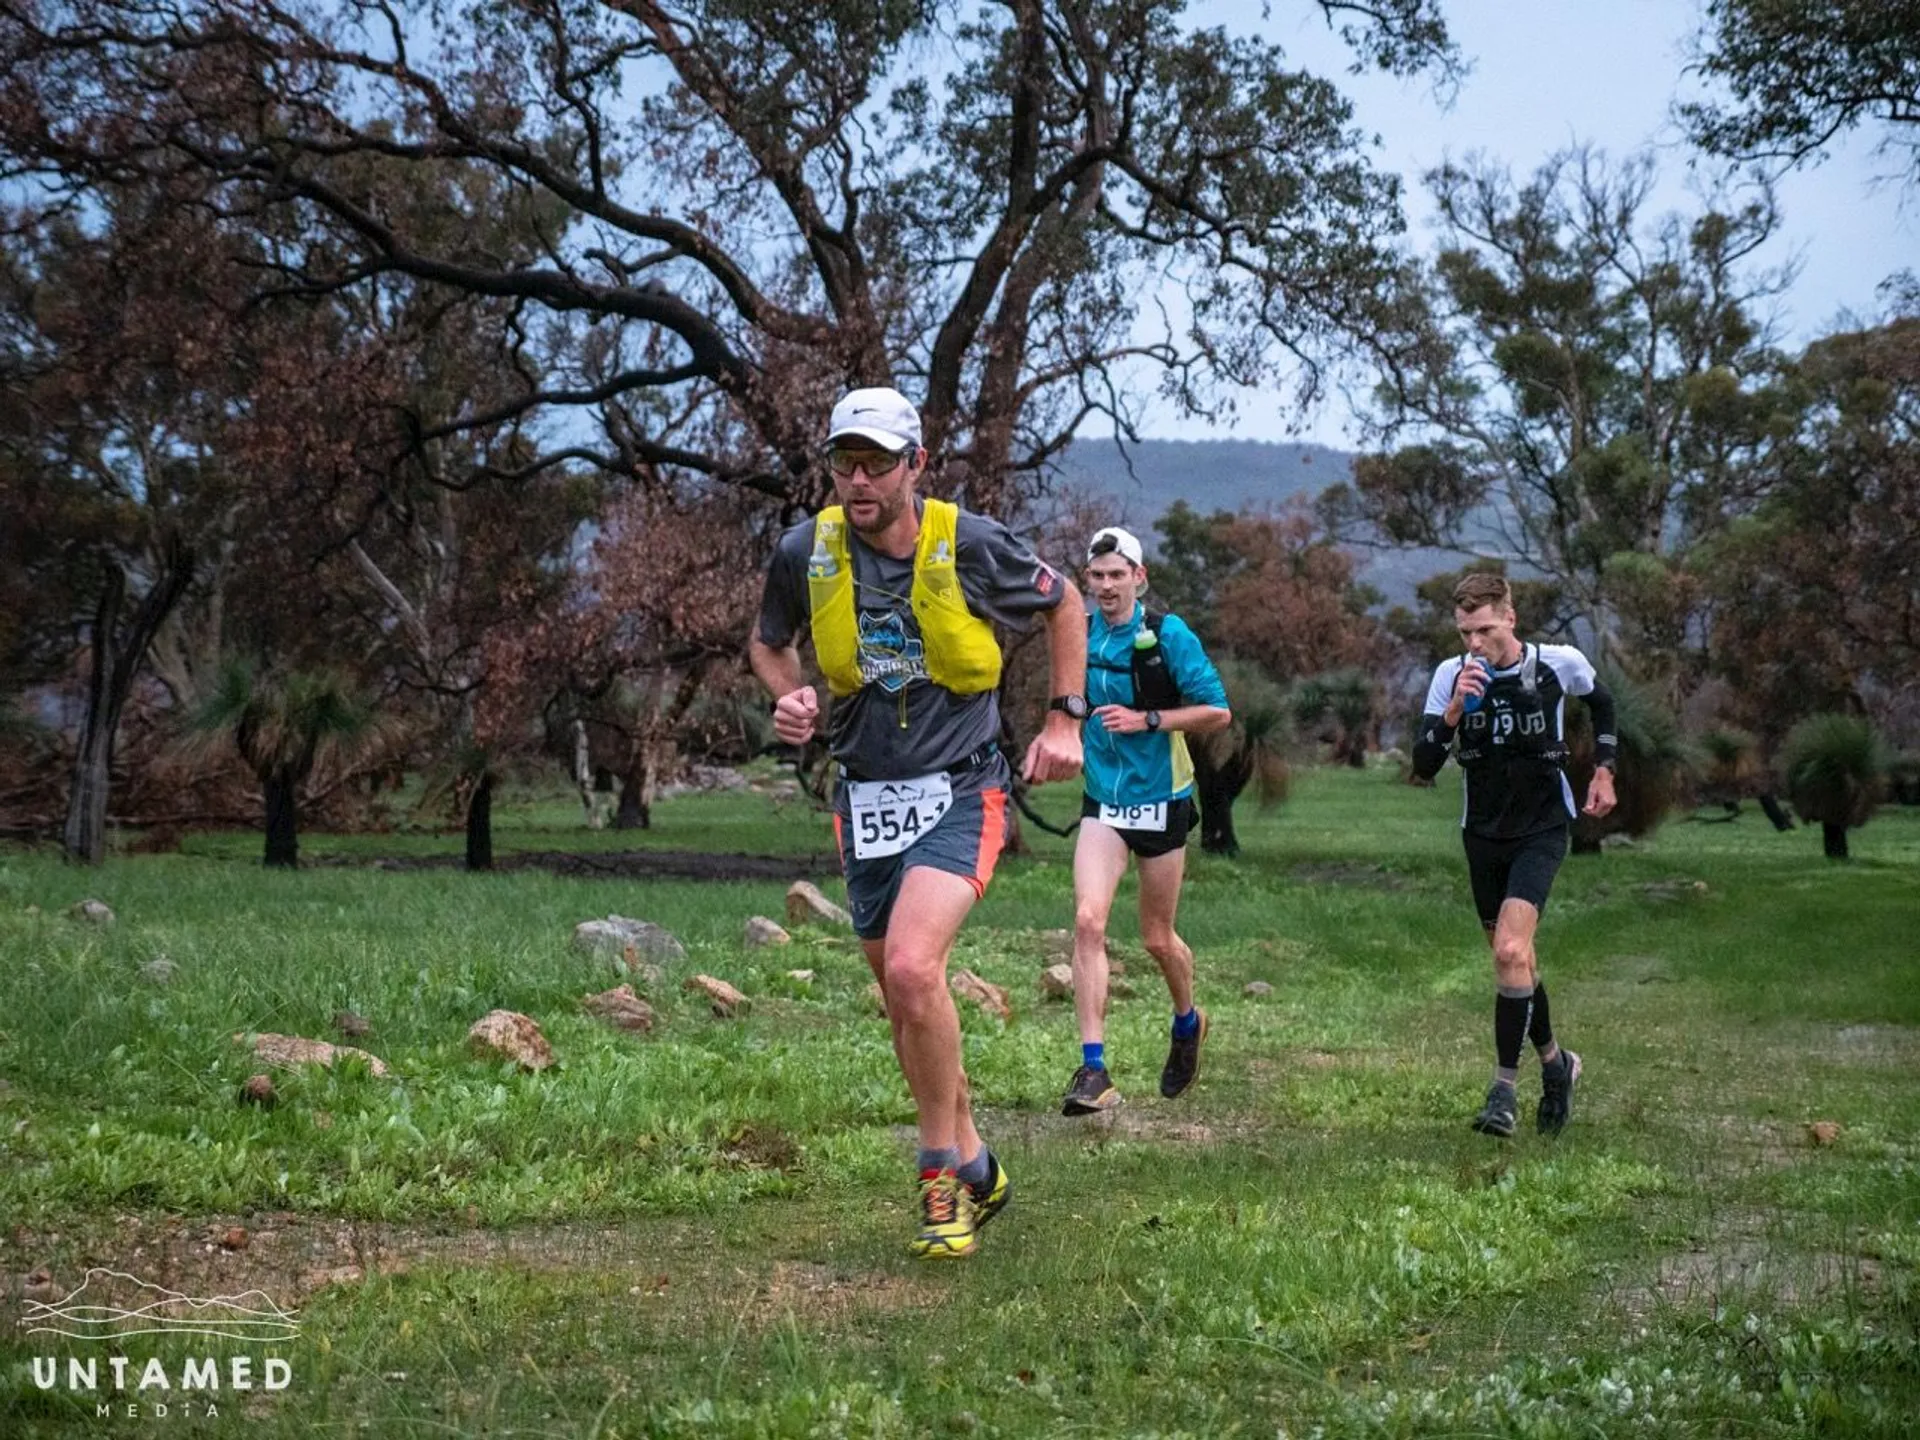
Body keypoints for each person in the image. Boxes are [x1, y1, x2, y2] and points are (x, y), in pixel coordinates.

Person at [749, 385, 1086, 1259]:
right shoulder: (804, 550)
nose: (859, 481)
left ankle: (939, 1176)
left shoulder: (968, 544)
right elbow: (768, 640)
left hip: (961, 789)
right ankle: (977, 1161)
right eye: (844, 463)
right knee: (904, 999)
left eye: (877, 463)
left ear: (916, 466)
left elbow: (1065, 604)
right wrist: (789, 695)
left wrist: (1063, 720)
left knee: (910, 963)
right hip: (863, 796)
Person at [1410, 573, 1617, 1139]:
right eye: (1464, 632)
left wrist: (1604, 769)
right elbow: (1423, 765)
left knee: (1508, 949)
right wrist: (1453, 712)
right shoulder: (1450, 676)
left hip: (1543, 827)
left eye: (1483, 629)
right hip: (1482, 834)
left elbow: (1603, 704)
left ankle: (1503, 1091)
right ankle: (1558, 1065)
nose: (1473, 643)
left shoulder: (1558, 663)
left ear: (1510, 618)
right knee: (1516, 964)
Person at [1060, 526, 1231, 1116]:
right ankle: (1093, 1069)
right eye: (1097, 576)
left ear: (1140, 577)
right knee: (1087, 921)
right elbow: (1066, 700)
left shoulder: (1167, 635)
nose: (1107, 586)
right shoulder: (1077, 634)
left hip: (1162, 797)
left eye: (1117, 574)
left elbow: (1217, 711)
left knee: (1157, 937)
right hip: (1104, 799)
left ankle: (1187, 1022)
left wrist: (1147, 720)